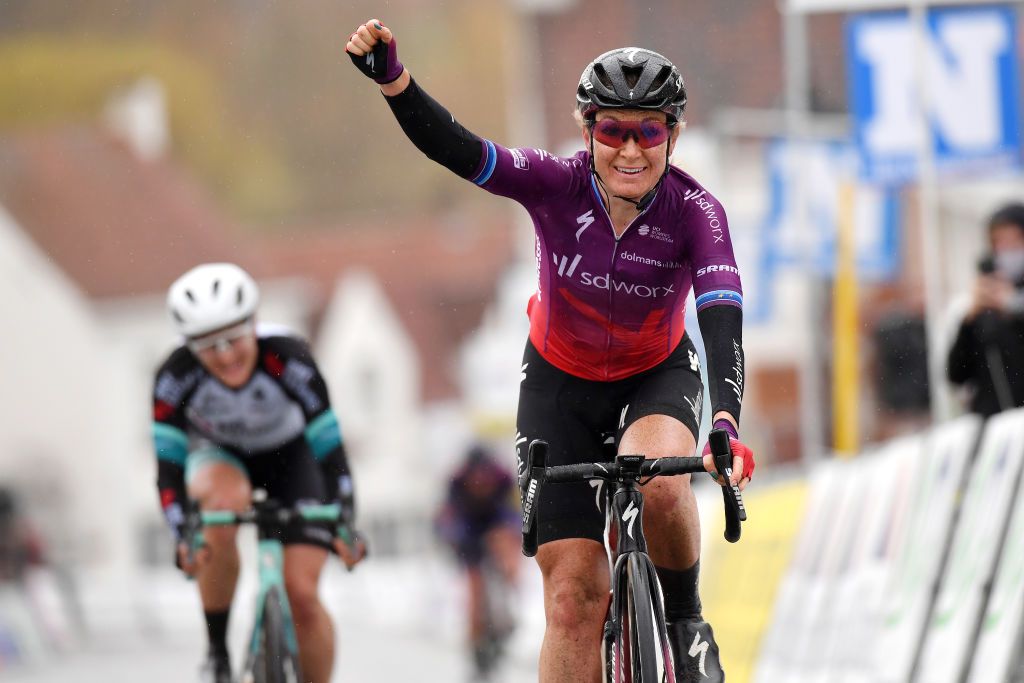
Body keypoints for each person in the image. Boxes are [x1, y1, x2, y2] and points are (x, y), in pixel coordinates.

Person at [345, 21, 755, 682]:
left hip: (655, 372)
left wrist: (726, 421)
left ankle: (685, 621)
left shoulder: (696, 212)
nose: (629, 149)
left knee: (659, 477)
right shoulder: (552, 183)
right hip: (559, 385)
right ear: (585, 129)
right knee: (572, 600)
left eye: (648, 131)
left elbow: (721, 313)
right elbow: (461, 149)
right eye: (611, 130)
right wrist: (396, 83)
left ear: (672, 137)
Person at [152, 263, 366, 683]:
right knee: (222, 502)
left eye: (234, 338)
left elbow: (330, 449)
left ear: (254, 322)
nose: (226, 354)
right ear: (188, 346)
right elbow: (169, 467)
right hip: (220, 457)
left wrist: (345, 519)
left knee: (302, 595)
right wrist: (183, 534)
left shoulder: (289, 357)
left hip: (293, 459)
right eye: (208, 346)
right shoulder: (174, 376)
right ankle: (217, 651)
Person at [436, 444, 522, 679]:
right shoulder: (456, 484)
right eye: (477, 480)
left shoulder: (503, 479)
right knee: (474, 582)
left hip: (495, 521)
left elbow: (513, 514)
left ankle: (511, 599)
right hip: (468, 529)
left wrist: (510, 551)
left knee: (506, 542)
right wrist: (455, 542)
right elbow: (449, 521)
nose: (482, 484)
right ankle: (475, 634)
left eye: (486, 480)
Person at [947, 203, 1024, 416]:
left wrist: (1014, 307)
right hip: (996, 426)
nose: (1007, 249)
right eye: (999, 241)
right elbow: (956, 374)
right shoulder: (984, 308)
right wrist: (970, 321)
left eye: (1015, 240)